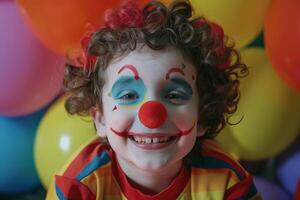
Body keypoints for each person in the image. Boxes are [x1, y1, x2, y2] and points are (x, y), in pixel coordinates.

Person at [46, 0, 262, 199]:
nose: (151, 115)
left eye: (174, 95)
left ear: (203, 115)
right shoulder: (76, 186)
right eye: (128, 95)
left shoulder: (228, 180)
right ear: (100, 119)